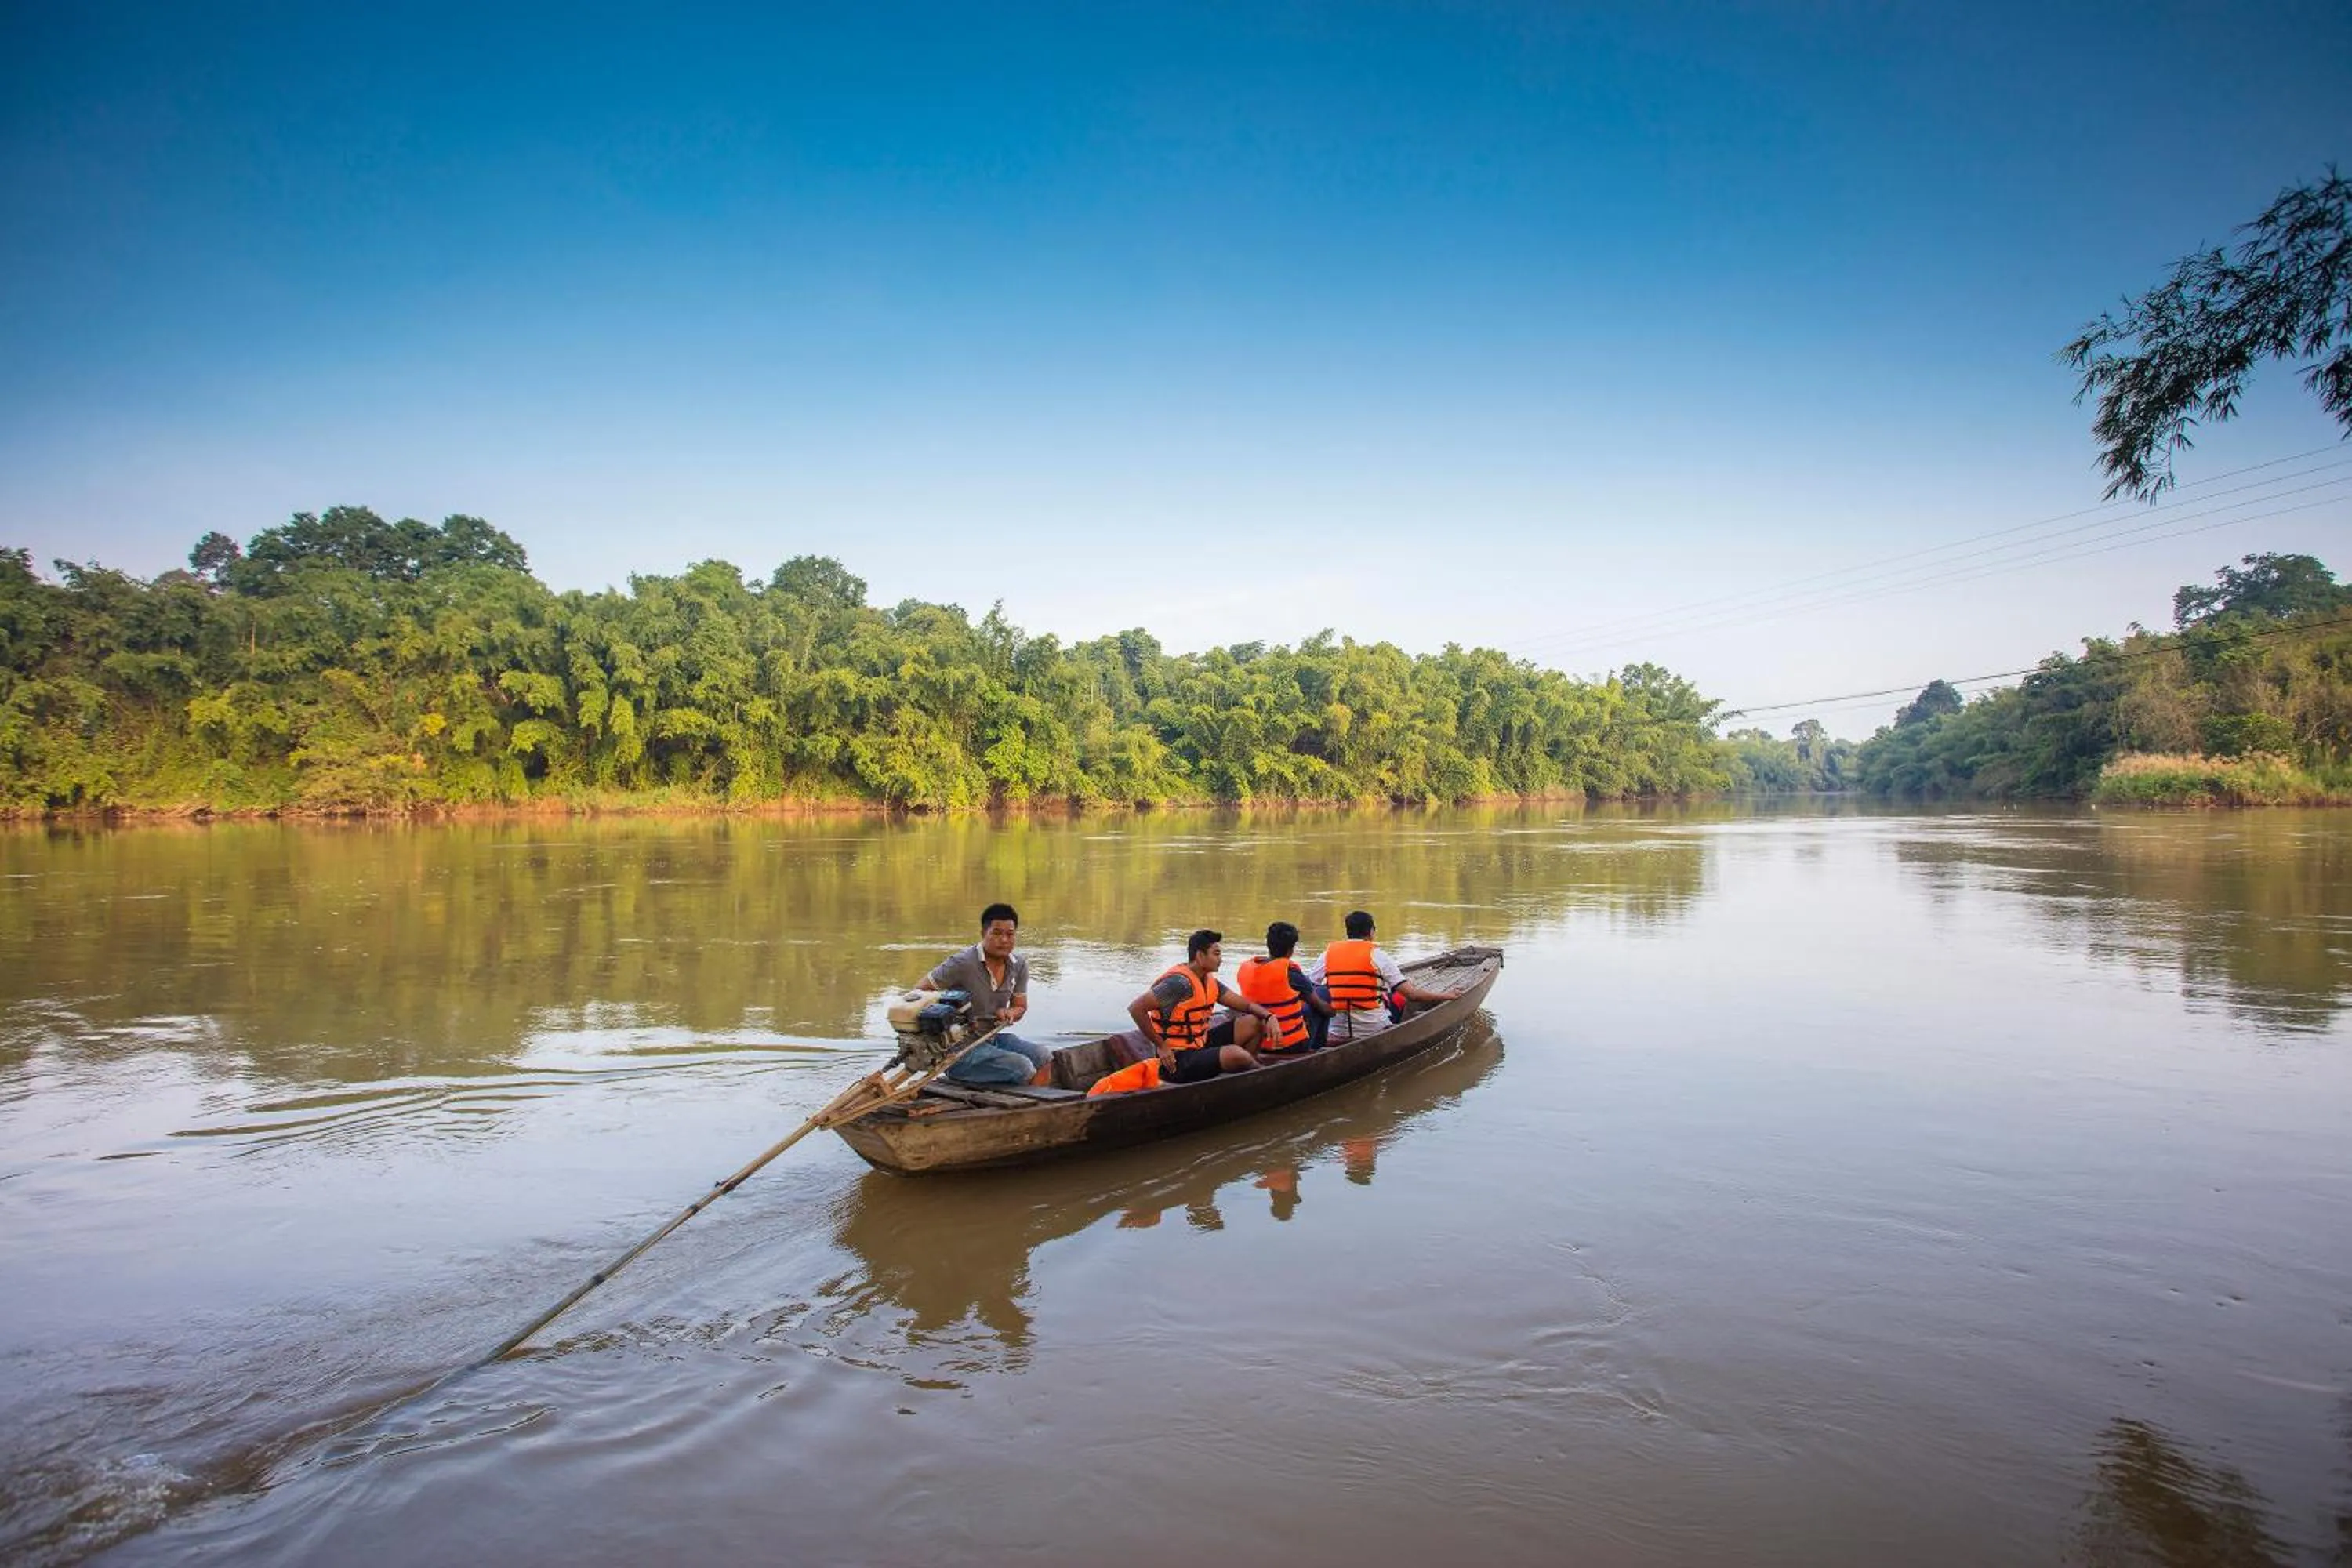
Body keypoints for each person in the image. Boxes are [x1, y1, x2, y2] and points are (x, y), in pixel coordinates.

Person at [912, 902, 1055, 1087]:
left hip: (991, 1041)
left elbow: (1020, 1006)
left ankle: (1035, 1110)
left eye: (1010, 934)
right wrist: (945, 1017)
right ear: (983, 934)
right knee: (1022, 1067)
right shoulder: (962, 963)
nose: (1004, 940)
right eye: (996, 933)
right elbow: (918, 993)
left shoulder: (1019, 965)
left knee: (1044, 1057)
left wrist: (1010, 1012)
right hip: (958, 1052)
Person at [1127, 929, 1273, 1083]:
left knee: (1254, 1023)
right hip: (1175, 1061)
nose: (1220, 959)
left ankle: (1244, 1076)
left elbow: (1246, 1005)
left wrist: (1269, 1016)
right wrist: (1161, 1046)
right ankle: (1263, 1078)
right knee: (1236, 1054)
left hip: (1199, 1045)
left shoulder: (1210, 982)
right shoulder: (1179, 984)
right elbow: (1136, 1008)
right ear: (1200, 956)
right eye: (1216, 954)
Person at [1307, 909, 1457, 1043]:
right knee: (1399, 997)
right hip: (1372, 1028)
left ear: (1348, 931)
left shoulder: (1328, 954)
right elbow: (1413, 995)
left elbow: (1311, 985)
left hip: (1336, 1029)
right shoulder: (1378, 956)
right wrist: (1445, 995)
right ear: (1371, 931)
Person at [1233, 921, 1330, 1055]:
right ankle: (1318, 1049)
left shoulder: (1246, 968)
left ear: (1268, 945)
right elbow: (1322, 1007)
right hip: (1290, 1045)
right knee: (1321, 999)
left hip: (1255, 1042)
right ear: (1291, 949)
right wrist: (1334, 1011)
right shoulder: (1292, 974)